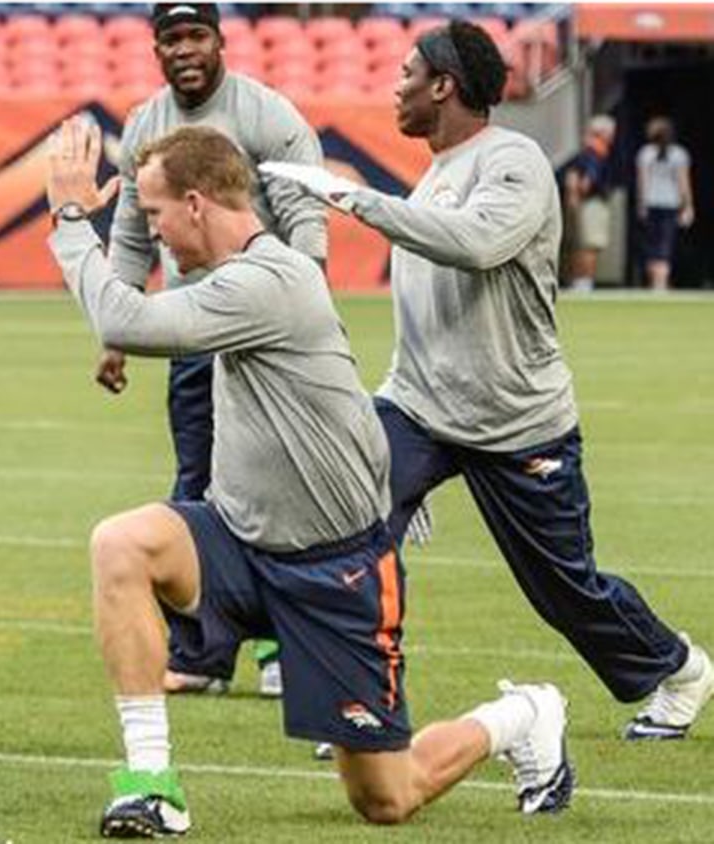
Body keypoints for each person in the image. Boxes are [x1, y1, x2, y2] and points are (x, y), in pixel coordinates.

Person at [46, 119, 572, 838]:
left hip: (336, 573)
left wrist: (72, 218)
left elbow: (124, 319)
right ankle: (150, 786)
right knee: (121, 544)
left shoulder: (269, 281)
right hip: (239, 539)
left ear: (197, 203)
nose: (153, 230)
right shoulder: (234, 278)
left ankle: (525, 715)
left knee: (385, 798)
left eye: (155, 211)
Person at [276, 21, 713, 741]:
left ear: (444, 85)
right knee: (348, 527)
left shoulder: (515, 162)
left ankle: (681, 669)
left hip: (519, 423)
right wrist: (388, 440)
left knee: (564, 590)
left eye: (407, 73)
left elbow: (477, 245)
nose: (395, 86)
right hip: (420, 410)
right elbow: (426, 317)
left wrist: (354, 199)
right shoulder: (437, 172)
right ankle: (359, 703)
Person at [103, 2, 336, 697]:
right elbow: (131, 234)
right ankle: (204, 655)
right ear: (155, 49)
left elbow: (304, 208)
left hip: (265, 333)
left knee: (276, 490)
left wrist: (307, 292)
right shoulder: (145, 124)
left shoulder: (265, 113)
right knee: (195, 488)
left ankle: (277, 651)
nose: (184, 49)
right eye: (170, 38)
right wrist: (115, 330)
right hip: (192, 334)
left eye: (195, 35)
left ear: (220, 41)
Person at [636, 116, 695, 292]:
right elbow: (684, 183)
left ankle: (656, 282)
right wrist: (688, 205)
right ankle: (660, 282)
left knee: (652, 242)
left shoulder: (646, 153)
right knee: (665, 242)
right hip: (670, 202)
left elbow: (643, 182)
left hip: (653, 202)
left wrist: (641, 204)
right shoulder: (679, 154)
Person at [561, 114, 616, 293]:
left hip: (584, 204)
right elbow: (586, 181)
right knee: (590, 245)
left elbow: (571, 177)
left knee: (580, 244)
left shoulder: (584, 152)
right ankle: (585, 282)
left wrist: (573, 197)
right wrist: (580, 193)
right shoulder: (596, 152)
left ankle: (578, 281)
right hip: (592, 203)